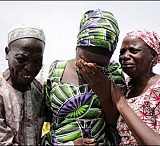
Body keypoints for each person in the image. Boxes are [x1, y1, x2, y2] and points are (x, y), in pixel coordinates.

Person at [75, 28, 160, 145]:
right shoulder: (127, 88)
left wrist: (122, 104)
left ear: (153, 56)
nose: (125, 56)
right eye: (122, 52)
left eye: (133, 51)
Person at [42, 9, 126, 145]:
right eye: (84, 60)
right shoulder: (57, 69)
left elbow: (118, 122)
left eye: (100, 65)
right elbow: (48, 114)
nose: (90, 67)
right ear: (77, 46)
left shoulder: (114, 72)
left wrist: (103, 92)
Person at [0, 24, 47, 145]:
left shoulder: (41, 89)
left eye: (37, 61)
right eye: (22, 59)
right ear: (7, 53)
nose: (30, 68)